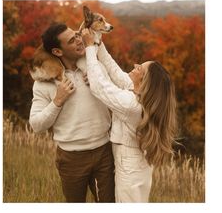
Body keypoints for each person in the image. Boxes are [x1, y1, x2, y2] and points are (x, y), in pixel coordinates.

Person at [82, 28, 178, 203]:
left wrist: (89, 47)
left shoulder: (132, 105)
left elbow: (99, 87)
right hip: (136, 161)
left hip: (129, 166)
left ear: (144, 81)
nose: (134, 66)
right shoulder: (140, 93)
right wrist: (98, 42)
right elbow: (115, 71)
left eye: (139, 68)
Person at [29, 23, 115, 203]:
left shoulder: (94, 67)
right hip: (71, 158)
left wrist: (99, 83)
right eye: (71, 40)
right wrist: (58, 100)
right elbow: (36, 125)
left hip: (104, 152)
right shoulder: (44, 82)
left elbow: (118, 96)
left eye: (77, 35)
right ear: (58, 52)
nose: (79, 40)